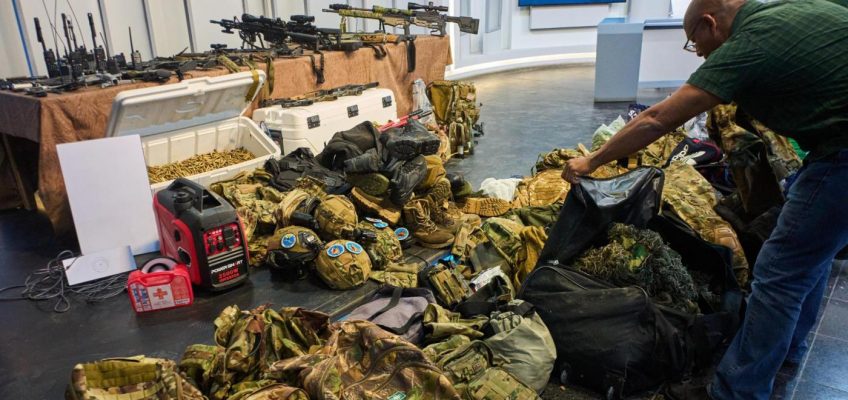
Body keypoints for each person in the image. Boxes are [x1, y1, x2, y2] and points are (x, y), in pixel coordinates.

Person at [562, 0, 848, 398]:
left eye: (695, 43)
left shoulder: (749, 43)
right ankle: (785, 349)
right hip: (830, 148)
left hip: (840, 155)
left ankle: (737, 390)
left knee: (778, 274)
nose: (699, 54)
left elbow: (657, 119)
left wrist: (592, 160)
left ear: (709, 23)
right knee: (806, 259)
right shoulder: (792, 10)